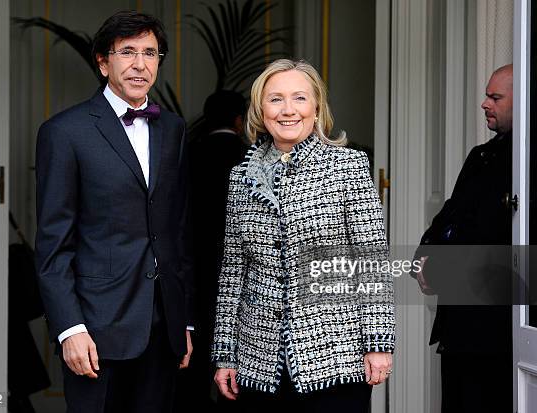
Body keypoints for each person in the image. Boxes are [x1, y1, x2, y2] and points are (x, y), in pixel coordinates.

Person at [211, 59, 395, 412]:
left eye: (299, 98)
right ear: (260, 109)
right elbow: (233, 270)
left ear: (316, 107)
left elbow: (371, 262)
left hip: (336, 355)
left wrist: (378, 342)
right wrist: (225, 353)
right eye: (275, 99)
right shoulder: (240, 177)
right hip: (257, 358)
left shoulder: (348, 166)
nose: (288, 110)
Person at [34, 11, 193, 413]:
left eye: (151, 53)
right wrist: (70, 329)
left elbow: (176, 230)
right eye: (128, 52)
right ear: (103, 62)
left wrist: (184, 321)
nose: (141, 64)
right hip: (96, 330)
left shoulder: (173, 130)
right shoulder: (65, 132)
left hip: (162, 327)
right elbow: (54, 245)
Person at [413, 64, 513, 412]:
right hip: (460, 322)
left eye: (495, 97)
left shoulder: (529, 161)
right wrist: (424, 259)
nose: (485, 103)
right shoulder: (481, 156)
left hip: (497, 327)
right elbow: (449, 216)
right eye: (487, 95)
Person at [179, 90, 249, 411]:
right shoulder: (251, 157)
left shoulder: (187, 154)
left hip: (194, 267)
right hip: (242, 273)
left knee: (191, 363)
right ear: (240, 120)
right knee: (236, 370)